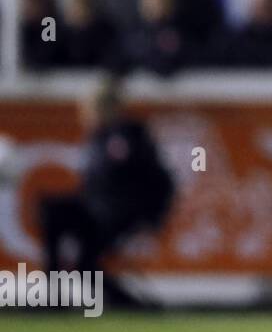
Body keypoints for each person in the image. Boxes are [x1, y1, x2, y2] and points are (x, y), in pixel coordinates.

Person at [39, 79, 174, 309]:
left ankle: (61, 298)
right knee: (56, 216)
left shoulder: (127, 137)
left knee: (80, 255)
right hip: (97, 213)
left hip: (116, 215)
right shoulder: (99, 138)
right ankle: (122, 304)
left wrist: (152, 217)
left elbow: (159, 181)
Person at [62, 0, 121, 70]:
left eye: (82, 7)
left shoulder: (106, 32)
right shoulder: (63, 34)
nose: (78, 12)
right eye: (74, 7)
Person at [20, 0, 64, 70]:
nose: (27, 7)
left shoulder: (50, 23)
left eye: (32, 2)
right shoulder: (24, 28)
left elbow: (45, 57)